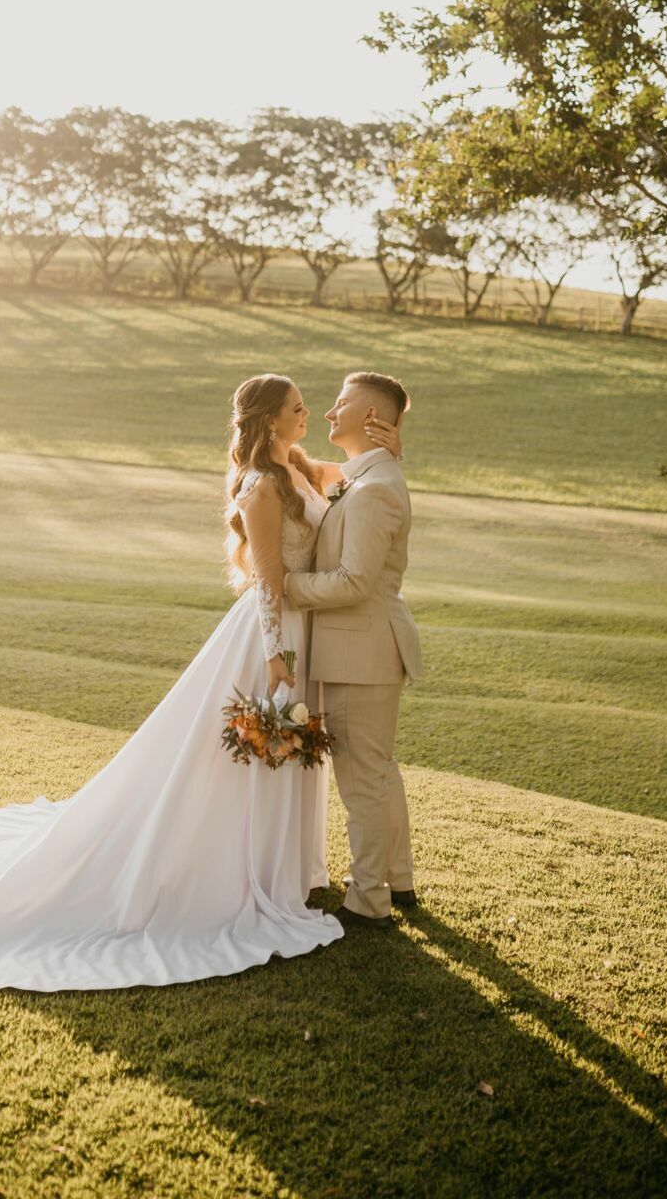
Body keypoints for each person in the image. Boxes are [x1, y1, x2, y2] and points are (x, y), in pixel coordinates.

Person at [0, 372, 401, 992]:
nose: (308, 414)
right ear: (269, 421)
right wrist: (277, 655)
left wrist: (388, 451)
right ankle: (239, 870)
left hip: (306, 631)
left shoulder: (304, 467)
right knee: (253, 752)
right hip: (271, 636)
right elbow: (268, 582)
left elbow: (355, 482)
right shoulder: (258, 488)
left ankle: (284, 870)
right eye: (297, 408)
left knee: (285, 755)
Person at [285, 370, 424, 932]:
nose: (327, 412)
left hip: (360, 652)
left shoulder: (375, 489)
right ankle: (399, 879)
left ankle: (369, 900)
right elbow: (305, 469)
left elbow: (353, 581)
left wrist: (284, 588)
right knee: (379, 772)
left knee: (363, 780)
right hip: (364, 649)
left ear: (371, 419)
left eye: (340, 404)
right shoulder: (368, 475)